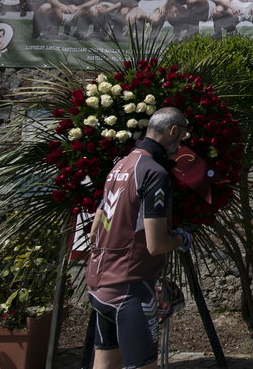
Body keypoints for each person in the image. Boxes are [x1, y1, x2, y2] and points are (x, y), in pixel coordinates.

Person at [86, 107, 192, 369]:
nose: (179, 147)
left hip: (100, 284)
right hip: (130, 288)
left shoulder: (120, 166)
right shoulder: (154, 172)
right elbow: (156, 245)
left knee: (106, 361)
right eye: (181, 140)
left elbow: (95, 229)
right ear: (173, 131)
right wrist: (182, 238)